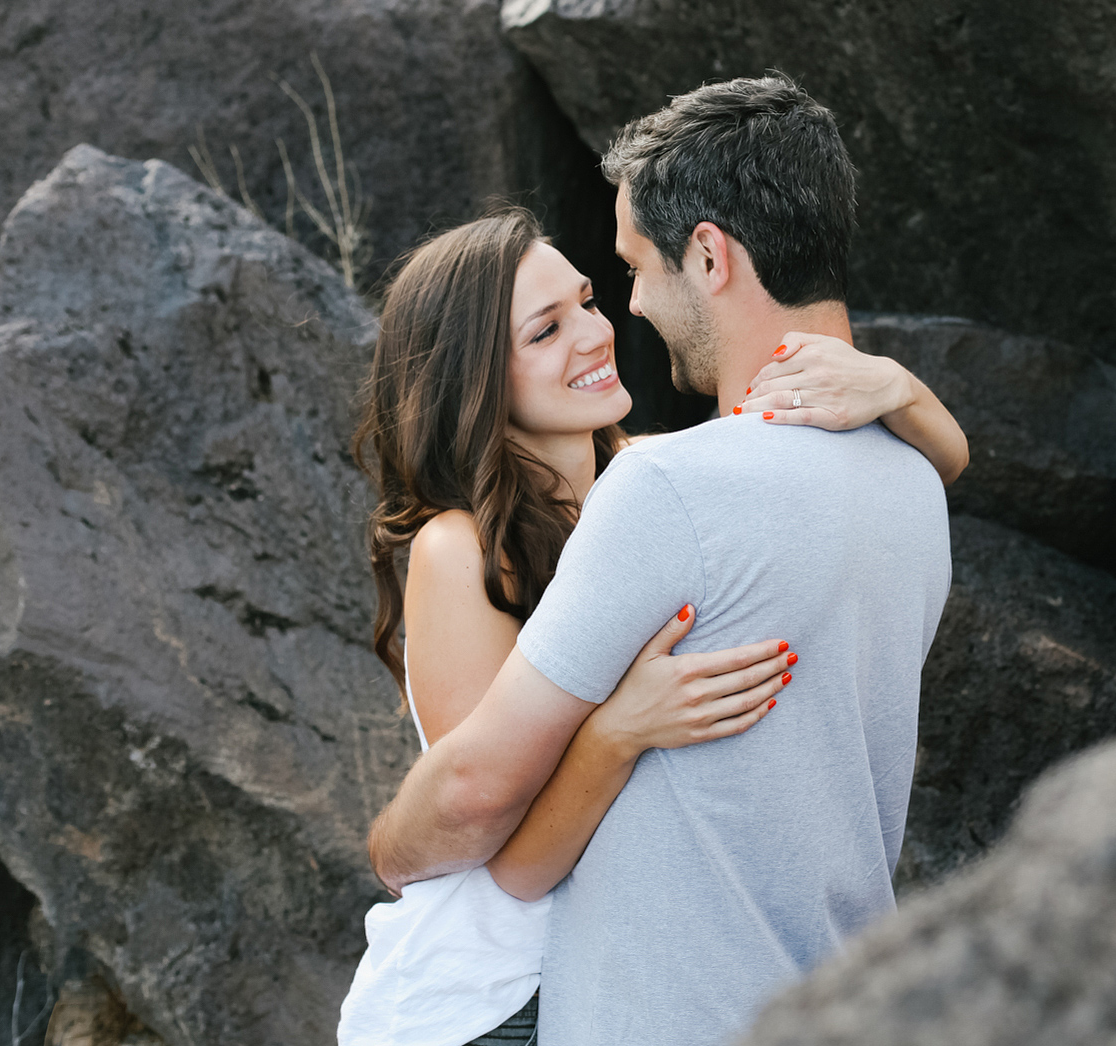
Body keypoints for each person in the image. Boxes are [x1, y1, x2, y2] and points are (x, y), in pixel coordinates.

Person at [365, 74, 960, 1045]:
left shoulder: (663, 490)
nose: (624, 314)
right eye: (548, 325)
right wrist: (901, 389)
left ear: (710, 255)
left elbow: (472, 798)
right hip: (809, 1001)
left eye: (627, 274)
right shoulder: (914, 480)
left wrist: (386, 845)